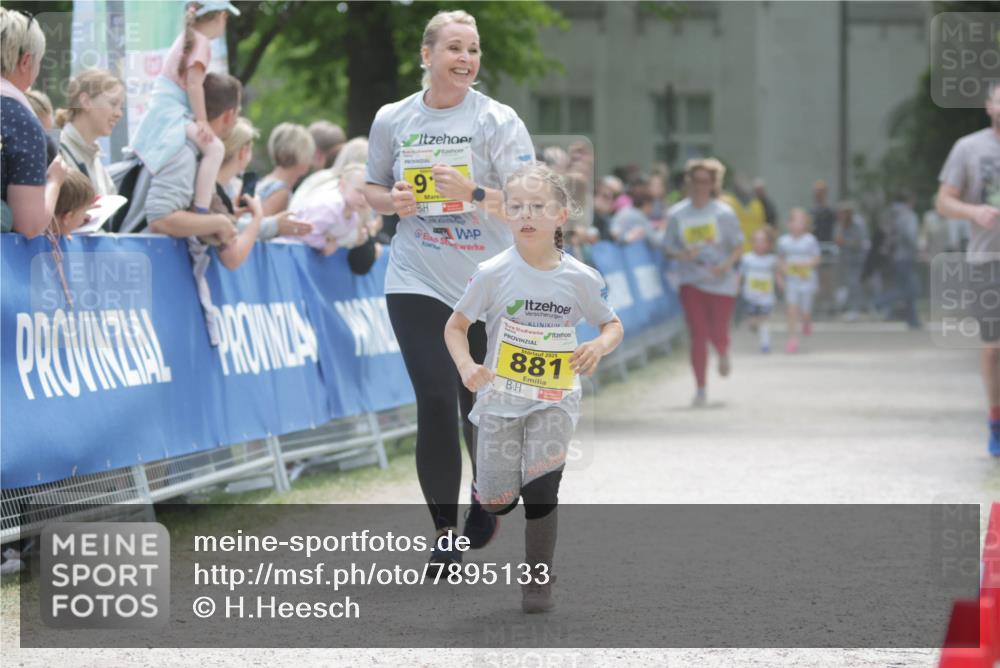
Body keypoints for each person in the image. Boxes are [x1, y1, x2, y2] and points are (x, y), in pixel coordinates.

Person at [363, 9, 535, 567]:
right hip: (415, 275)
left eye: (473, 49)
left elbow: (531, 206)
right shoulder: (393, 118)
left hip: (486, 282)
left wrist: (473, 192)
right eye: (455, 48)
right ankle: (443, 533)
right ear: (427, 55)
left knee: (478, 403)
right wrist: (393, 201)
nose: (466, 59)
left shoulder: (498, 120)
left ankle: (486, 495)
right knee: (436, 398)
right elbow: (371, 187)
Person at [444, 164, 623, 612]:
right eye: (517, 207)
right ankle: (486, 497)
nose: (526, 215)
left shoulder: (580, 277)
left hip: (554, 399)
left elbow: (612, 324)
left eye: (537, 207)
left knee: (542, 486)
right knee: (499, 501)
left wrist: (598, 346)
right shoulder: (492, 272)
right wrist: (467, 366)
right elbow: (455, 326)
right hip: (501, 400)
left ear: (560, 214)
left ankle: (537, 578)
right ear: (506, 214)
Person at [936, 83, 1000, 456]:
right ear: (988, 106)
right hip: (987, 261)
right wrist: (974, 212)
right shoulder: (969, 148)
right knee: (993, 348)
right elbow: (943, 201)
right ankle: (995, 419)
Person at [127, 1, 239, 214]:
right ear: (221, 17)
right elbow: (194, 84)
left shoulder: (189, 38)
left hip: (165, 107)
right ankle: (202, 208)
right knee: (215, 149)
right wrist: (202, 120)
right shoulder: (201, 42)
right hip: (172, 111)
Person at [664, 159, 744, 406]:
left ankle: (722, 349)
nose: (700, 186)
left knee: (718, 332)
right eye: (695, 180)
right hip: (691, 281)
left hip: (721, 281)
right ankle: (700, 388)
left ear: (713, 184)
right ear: (688, 182)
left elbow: (738, 246)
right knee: (698, 334)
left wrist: (726, 266)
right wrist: (681, 254)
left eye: (705, 181)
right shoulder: (677, 214)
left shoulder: (724, 213)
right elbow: (668, 247)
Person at [1, 7, 69, 237]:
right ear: (26, 61)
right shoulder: (20, 122)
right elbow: (28, 225)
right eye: (40, 61)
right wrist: (55, 181)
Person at [55, 68, 124, 196]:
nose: (119, 113)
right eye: (113, 103)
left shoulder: (94, 158)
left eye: (121, 107)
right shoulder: (57, 153)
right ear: (86, 102)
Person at [292, 163, 369, 255]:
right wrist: (324, 244)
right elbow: (304, 232)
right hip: (291, 250)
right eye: (359, 191)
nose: (364, 198)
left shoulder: (354, 217)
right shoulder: (329, 207)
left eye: (369, 194)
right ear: (342, 185)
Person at [873, 192, 921, 330]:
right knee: (910, 289)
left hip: (894, 256)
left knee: (906, 288)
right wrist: (918, 249)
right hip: (906, 256)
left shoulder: (891, 213)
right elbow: (910, 235)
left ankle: (912, 320)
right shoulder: (908, 215)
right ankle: (880, 302)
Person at [777, 208, 821, 353]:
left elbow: (817, 259)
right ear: (789, 223)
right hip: (792, 281)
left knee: (805, 310)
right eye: (795, 221)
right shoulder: (783, 241)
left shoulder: (810, 240)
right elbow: (780, 260)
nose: (798, 224)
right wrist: (782, 274)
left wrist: (805, 265)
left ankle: (806, 321)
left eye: (801, 221)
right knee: (792, 309)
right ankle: (792, 339)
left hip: (807, 280)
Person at [259, 122, 315, 216]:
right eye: (309, 155)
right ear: (300, 156)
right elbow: (261, 223)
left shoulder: (266, 181)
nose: (311, 162)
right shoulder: (280, 192)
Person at [739, 227, 779, 353]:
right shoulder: (747, 259)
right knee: (753, 321)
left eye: (763, 241)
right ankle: (753, 326)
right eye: (756, 241)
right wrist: (736, 286)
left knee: (764, 319)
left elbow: (778, 274)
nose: (759, 244)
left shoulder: (772, 260)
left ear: (769, 244)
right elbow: (740, 274)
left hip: (766, 297)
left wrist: (782, 283)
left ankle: (765, 344)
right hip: (750, 296)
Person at [834, 200, 868, 321]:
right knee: (849, 284)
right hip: (846, 259)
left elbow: (861, 242)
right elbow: (837, 239)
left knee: (855, 284)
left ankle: (856, 309)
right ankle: (850, 308)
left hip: (859, 259)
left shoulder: (858, 223)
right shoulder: (840, 225)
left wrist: (846, 242)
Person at [609, 175, 655, 243]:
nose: (652, 209)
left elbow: (614, 231)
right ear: (647, 205)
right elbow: (654, 240)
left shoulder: (624, 210)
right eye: (651, 205)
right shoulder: (641, 217)